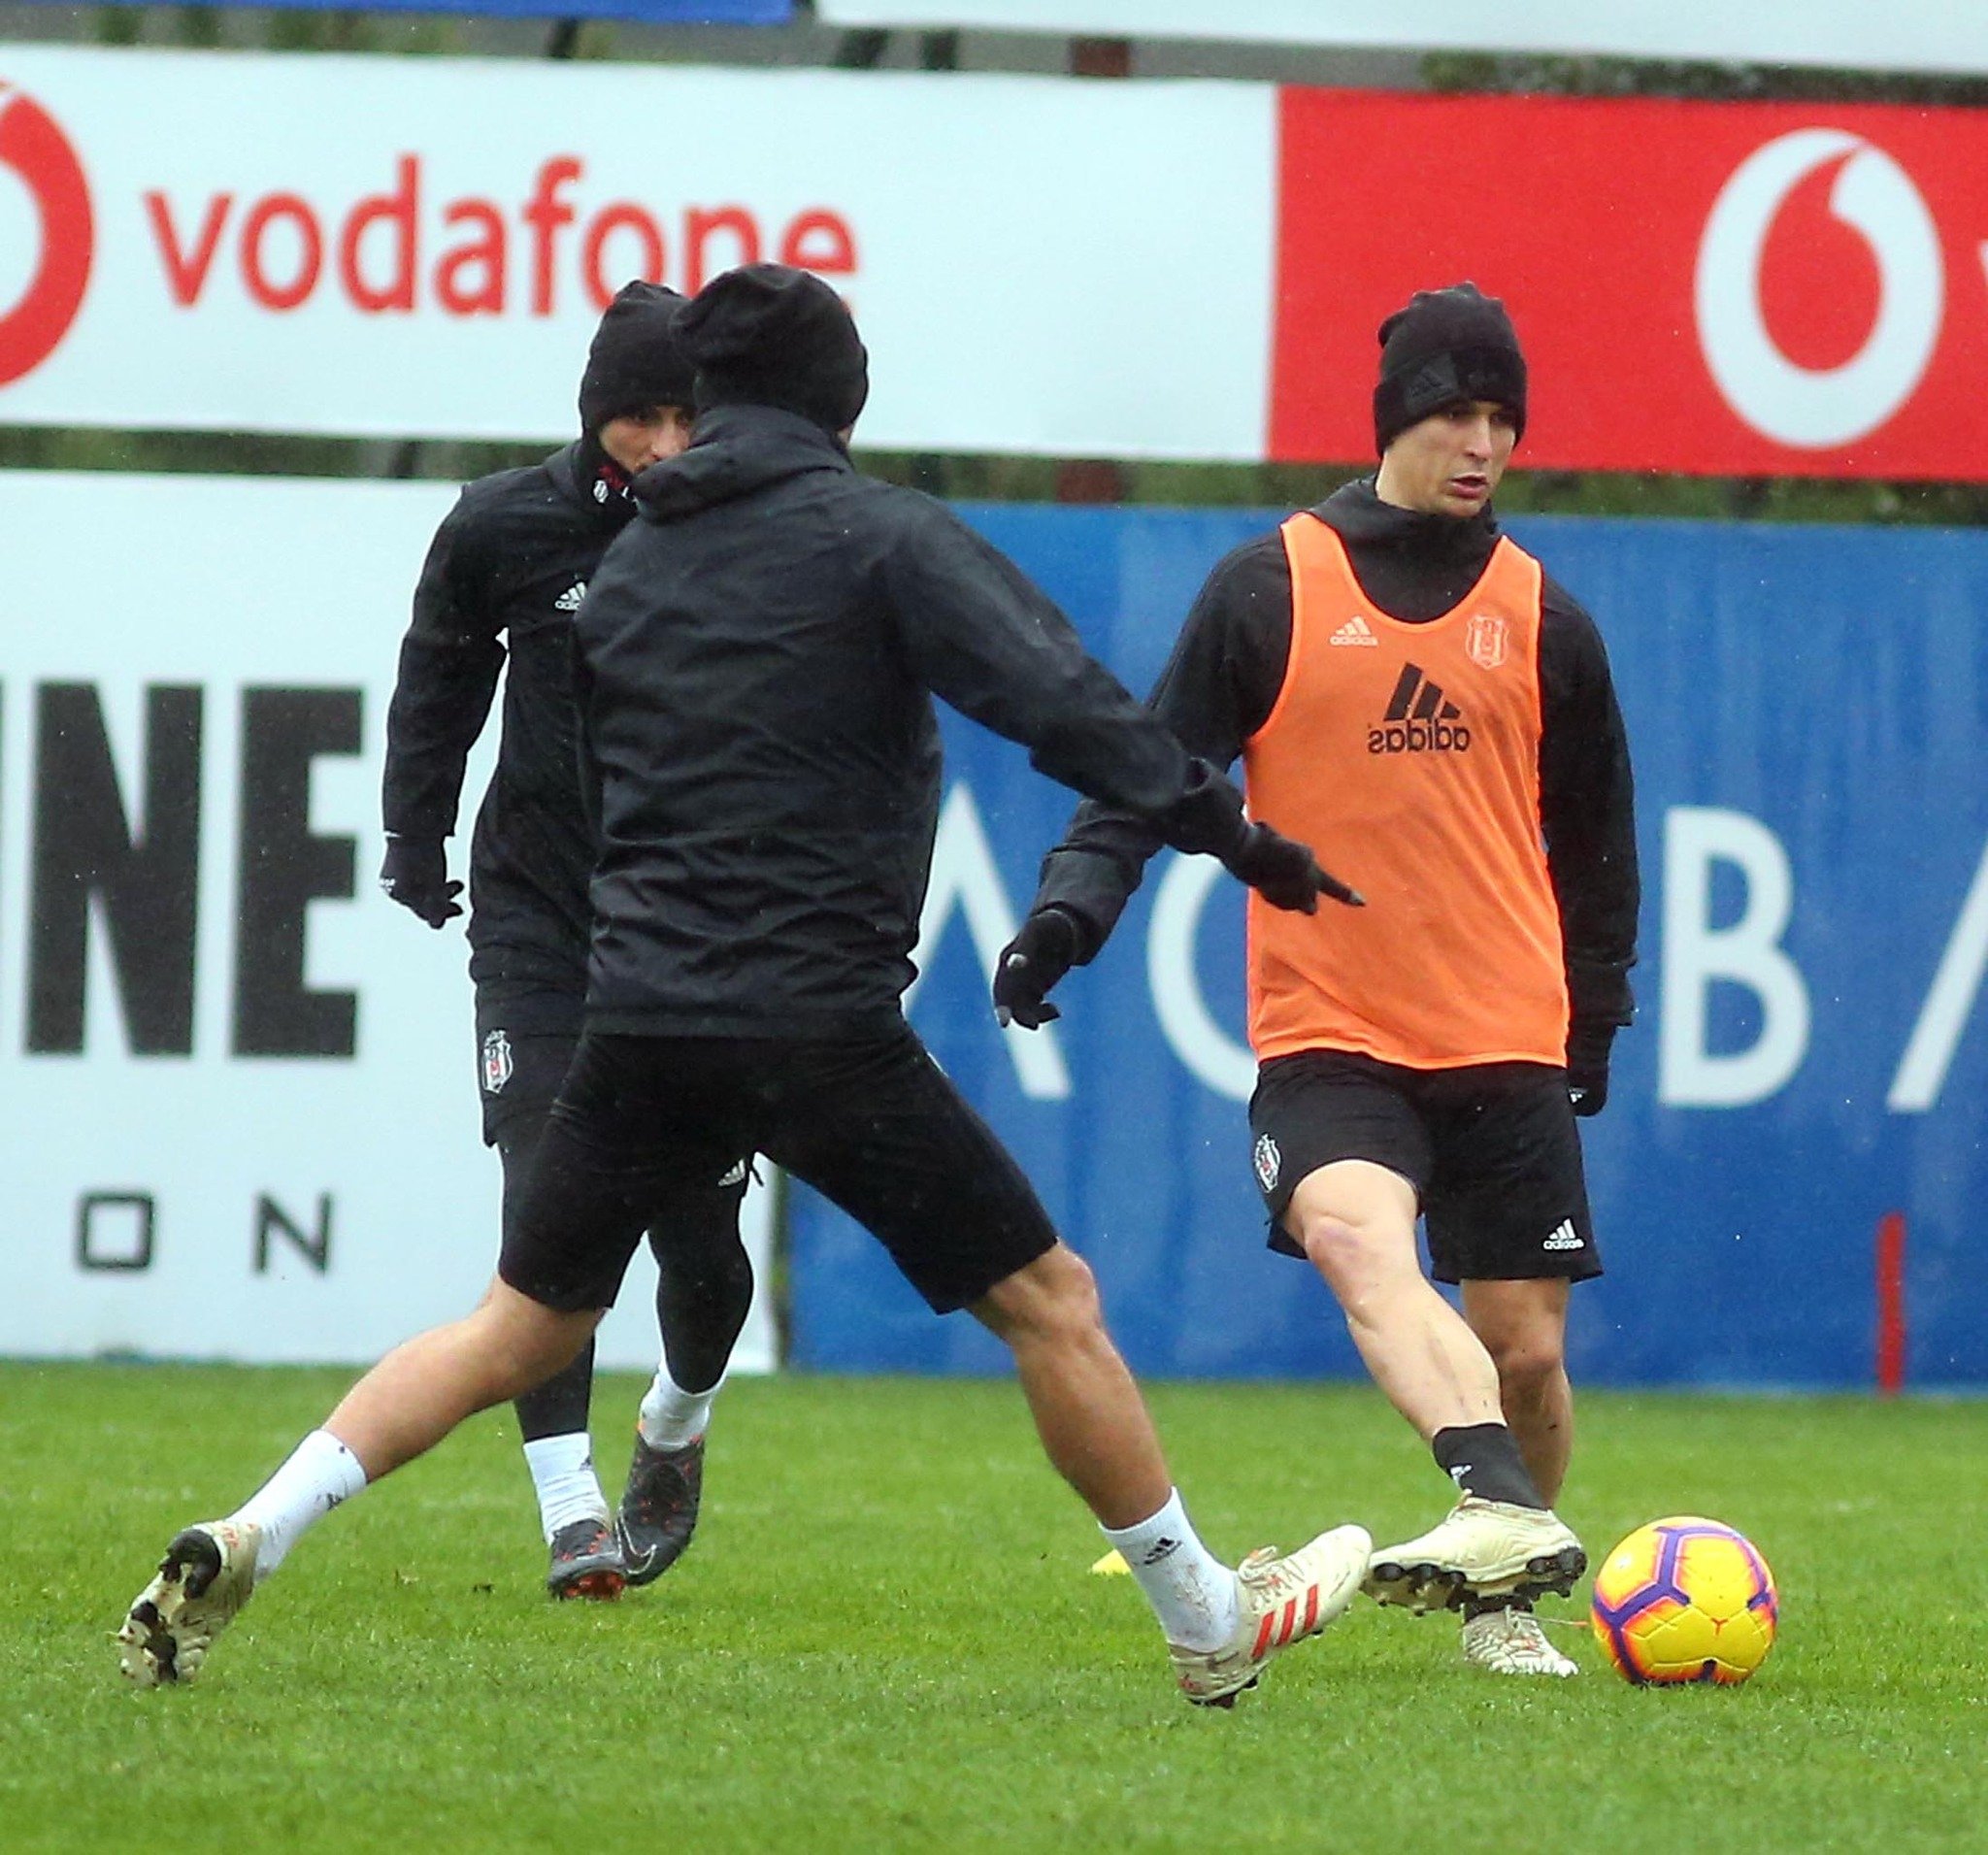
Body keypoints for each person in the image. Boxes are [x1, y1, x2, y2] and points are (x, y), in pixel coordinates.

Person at [118, 263, 1372, 1708]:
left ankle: (253, 1529)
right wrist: (1236, 836)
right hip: (819, 1026)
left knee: (515, 1324)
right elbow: (1062, 704)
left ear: (705, 404)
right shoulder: (881, 540)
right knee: (1053, 1302)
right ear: (845, 393)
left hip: (639, 1018)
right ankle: (1207, 1620)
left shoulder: (635, 569)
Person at [995, 283, 1639, 1678]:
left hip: (1504, 1031)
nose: (1483, 442)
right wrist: (1065, 917)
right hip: (1330, 1031)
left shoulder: (1546, 619)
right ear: (1399, 418)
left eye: (1502, 419)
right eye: (1458, 412)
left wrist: (1597, 1012)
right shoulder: (1272, 586)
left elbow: (1598, 845)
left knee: (1524, 1348)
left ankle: (1502, 1589)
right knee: (1358, 1243)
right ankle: (1496, 1503)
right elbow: (1146, 783)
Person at [378, 281, 753, 1601]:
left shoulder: (761, 538)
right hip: (539, 922)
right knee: (550, 1211)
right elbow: (437, 681)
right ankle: (571, 1509)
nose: (656, 443)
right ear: (592, 416)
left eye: (680, 416)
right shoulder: (505, 528)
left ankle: (679, 1418)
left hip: (694, 936)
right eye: (632, 415)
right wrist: (412, 839)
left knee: (700, 1259)